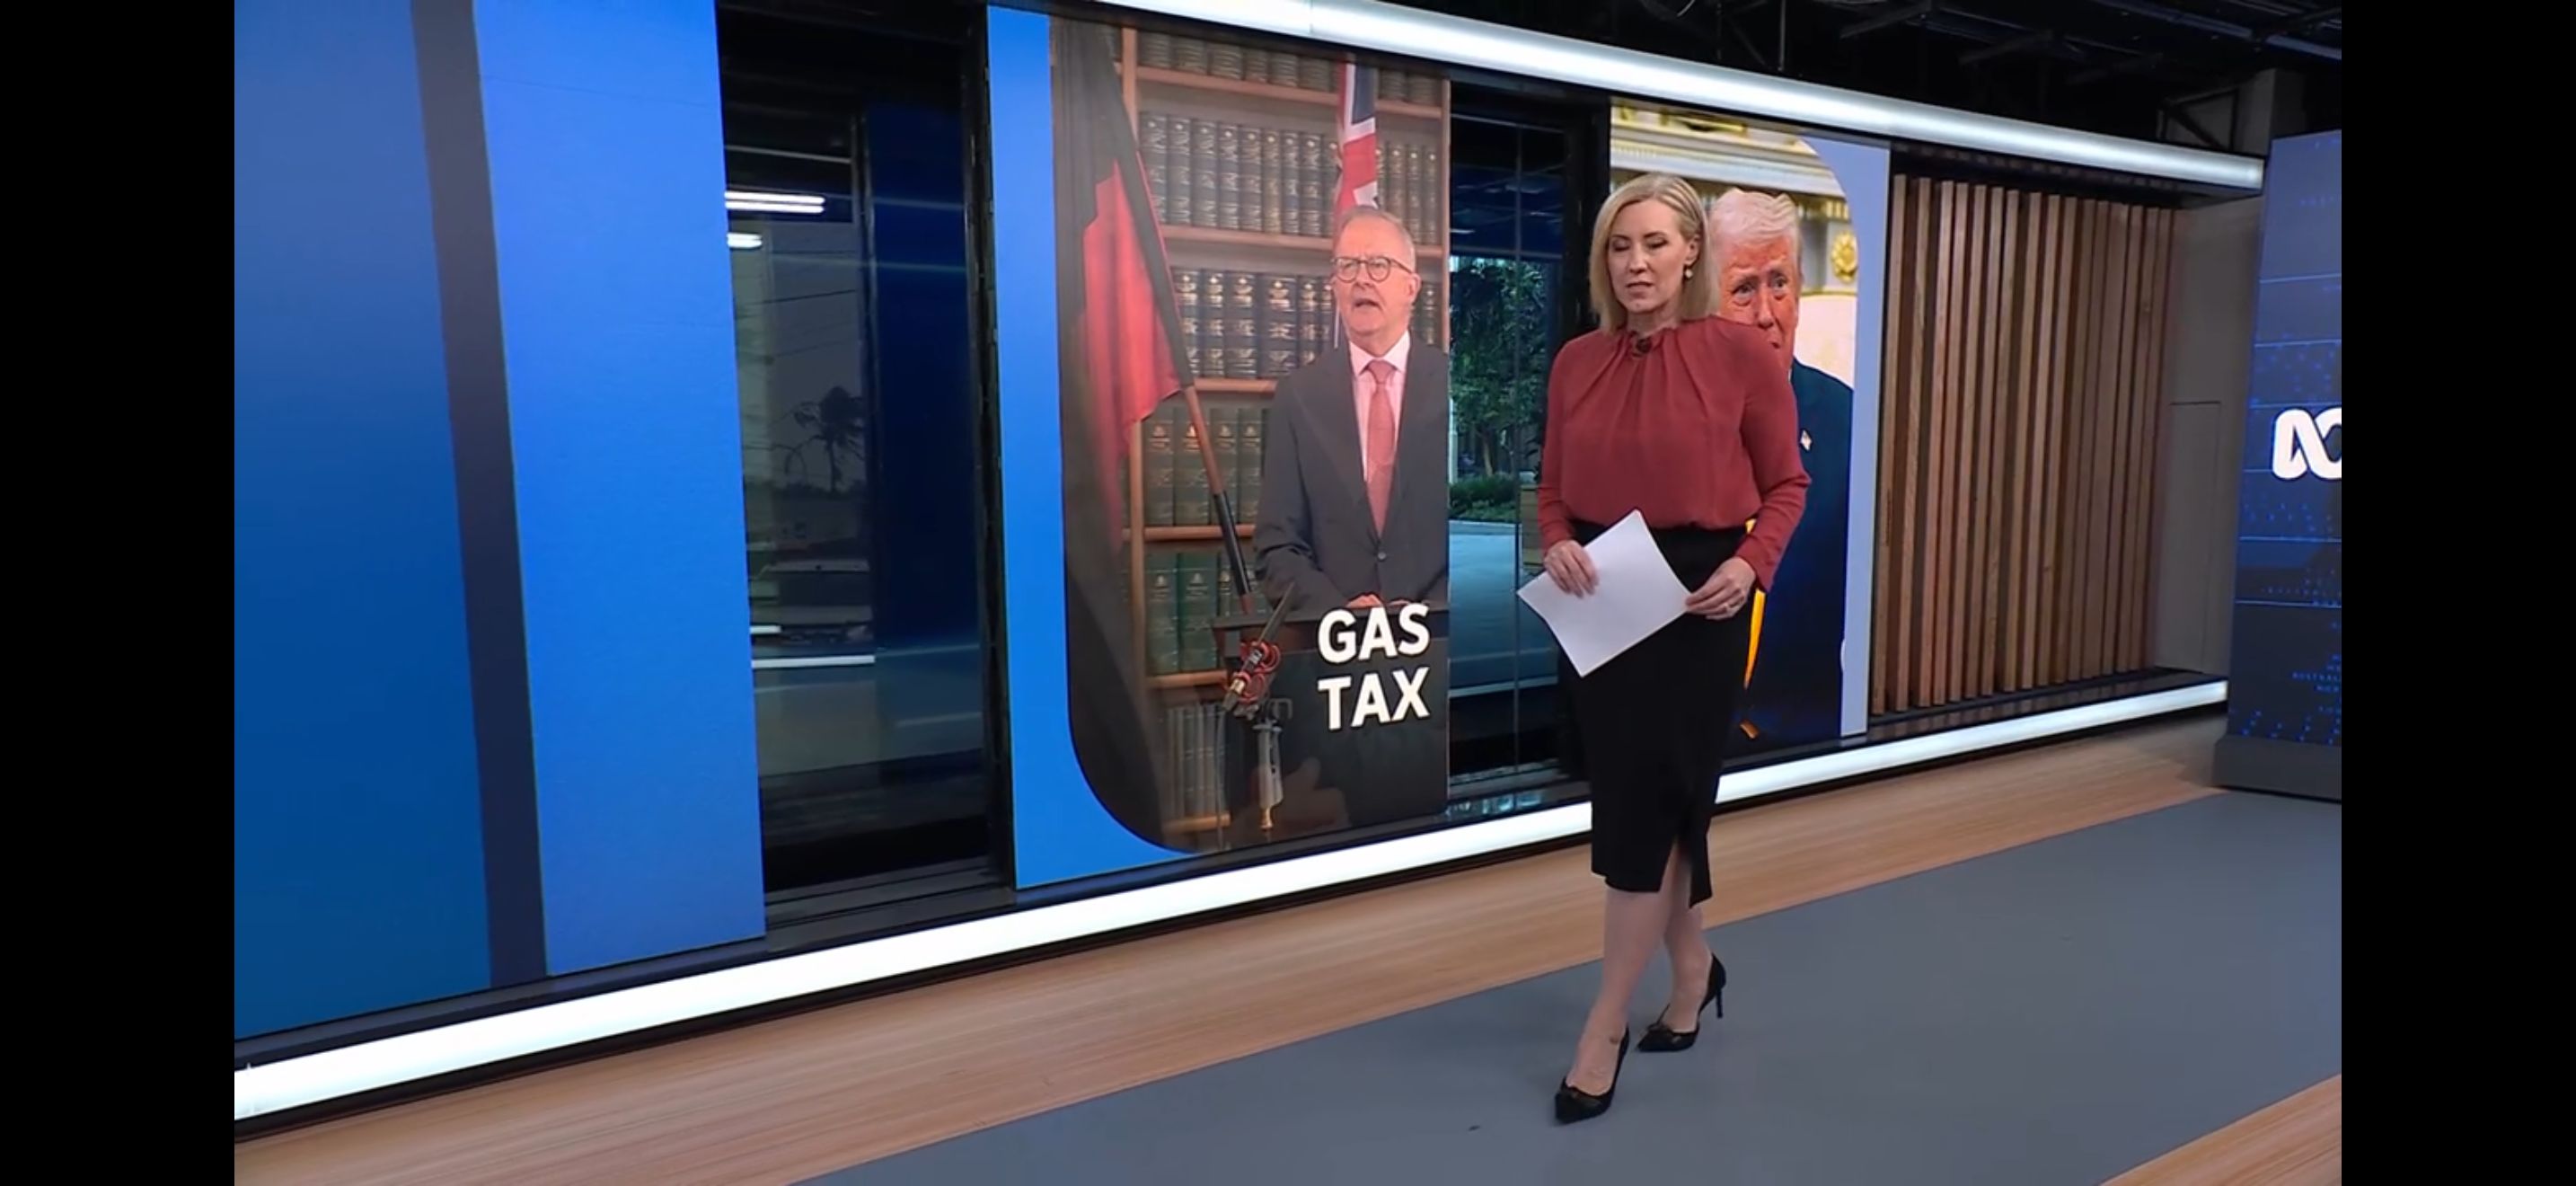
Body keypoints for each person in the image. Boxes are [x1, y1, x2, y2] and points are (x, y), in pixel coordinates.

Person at [1536, 173, 1809, 1123]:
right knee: (1657, 808)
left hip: (1701, 601)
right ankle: (1693, 970)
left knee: (1645, 817)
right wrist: (1556, 541)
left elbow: (1787, 485)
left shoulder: (1739, 355)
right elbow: (1552, 491)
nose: (1637, 262)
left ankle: (1603, 1025)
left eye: (1655, 243)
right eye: (1621, 246)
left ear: (1691, 251)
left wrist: (1751, 565)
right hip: (1604, 596)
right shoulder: (1576, 362)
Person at [1707, 188, 1851, 745]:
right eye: (1744, 289)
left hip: (1805, 745)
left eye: (1780, 284)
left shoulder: (1851, 421)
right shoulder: (1660, 413)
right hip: (1679, 740)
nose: (1767, 314)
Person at [1254, 207, 1451, 615]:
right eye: (1348, 266)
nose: (1361, 278)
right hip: (1335, 636)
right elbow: (1277, 548)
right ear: (1334, 287)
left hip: (1440, 632)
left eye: (1378, 265)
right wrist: (1340, 611)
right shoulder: (1298, 396)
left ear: (1411, 287)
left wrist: (1428, 611)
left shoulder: (1451, 384)